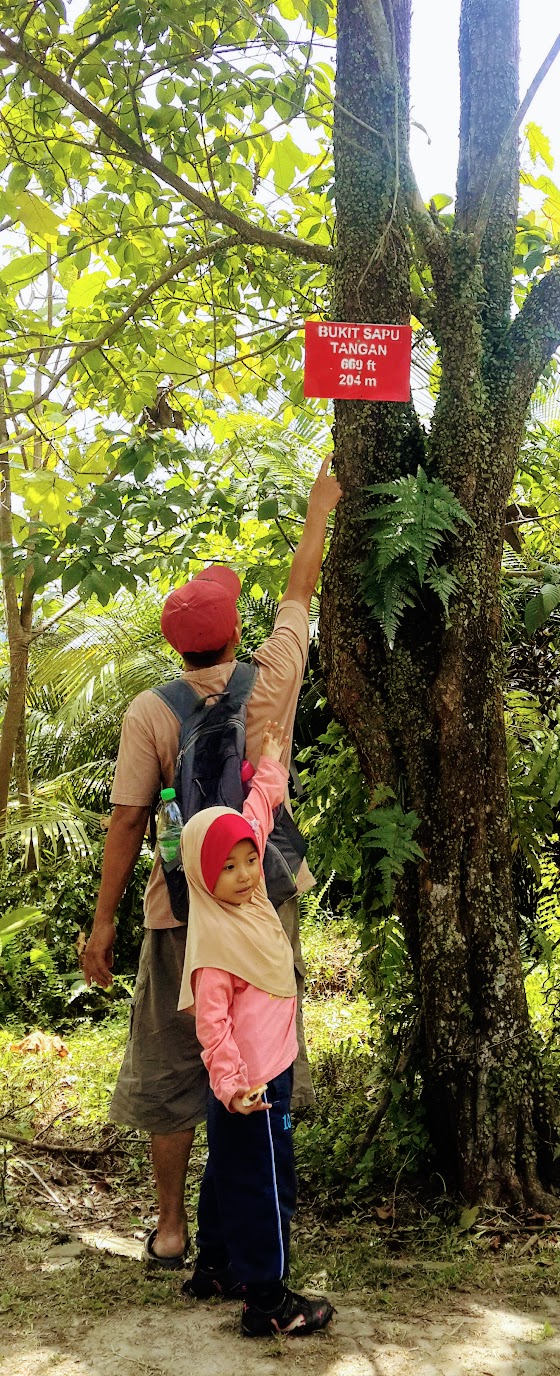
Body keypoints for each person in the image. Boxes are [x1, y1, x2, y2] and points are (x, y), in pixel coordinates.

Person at [81, 453, 342, 1270]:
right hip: (264, 892)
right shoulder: (273, 678)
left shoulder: (148, 712)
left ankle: (169, 1225)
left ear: (177, 646)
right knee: (261, 1043)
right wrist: (320, 504)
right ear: (234, 632)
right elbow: (301, 590)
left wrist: (101, 928)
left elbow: (127, 825)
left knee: (170, 1050)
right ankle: (255, 1214)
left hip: (181, 906)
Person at [178, 717, 334, 1337]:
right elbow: (212, 1027)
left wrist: (270, 760)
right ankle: (267, 1300)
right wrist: (234, 1085)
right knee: (267, 1183)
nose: (245, 874)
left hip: (262, 1078)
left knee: (228, 1172)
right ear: (201, 876)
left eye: (250, 861)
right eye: (230, 867)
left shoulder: (251, 900)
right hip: (253, 1087)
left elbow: (259, 808)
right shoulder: (214, 942)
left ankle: (216, 1265)